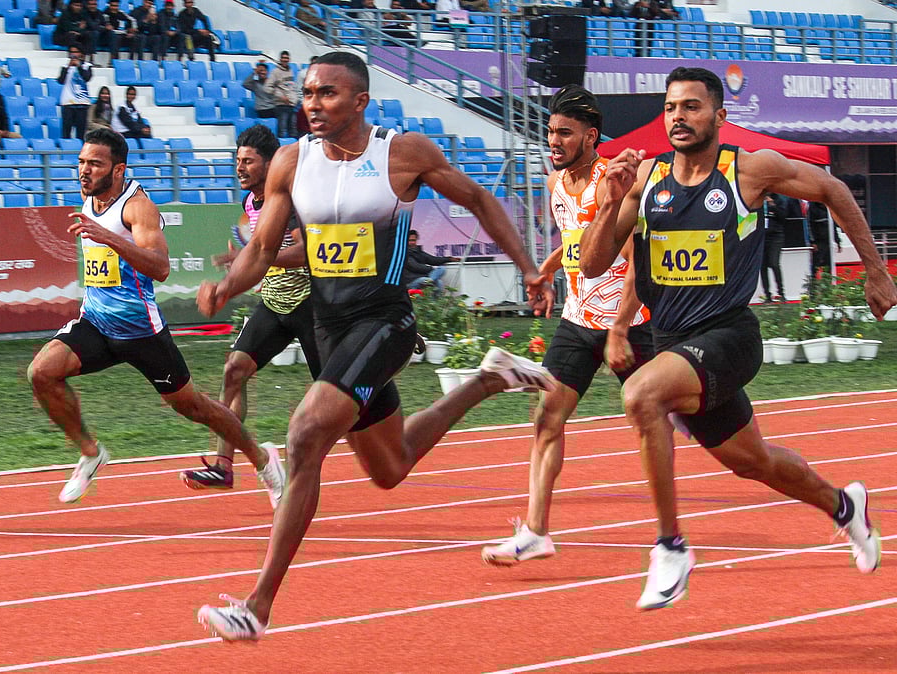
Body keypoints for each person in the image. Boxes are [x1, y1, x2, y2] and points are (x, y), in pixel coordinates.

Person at [193, 51, 555, 641]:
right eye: (308, 93)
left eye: (328, 94)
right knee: (390, 467)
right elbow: (260, 250)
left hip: (385, 321)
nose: (312, 103)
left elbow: (480, 201)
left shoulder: (402, 154)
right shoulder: (290, 161)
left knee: (306, 432)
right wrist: (226, 289)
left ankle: (258, 606)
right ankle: (490, 377)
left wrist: (529, 268)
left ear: (360, 101)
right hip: (330, 325)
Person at [581, 66, 896, 610]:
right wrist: (609, 201)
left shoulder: (749, 172)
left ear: (719, 117)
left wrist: (875, 270)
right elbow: (591, 265)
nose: (679, 117)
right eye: (672, 107)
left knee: (641, 396)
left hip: (730, 334)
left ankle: (670, 546)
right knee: (754, 462)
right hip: (674, 342)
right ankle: (845, 507)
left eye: (692, 107)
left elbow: (833, 188)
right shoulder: (644, 180)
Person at [26, 127, 273, 505]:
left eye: (94, 164)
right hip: (95, 322)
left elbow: (160, 267)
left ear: (119, 170)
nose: (84, 170)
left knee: (194, 406)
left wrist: (110, 238)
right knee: (41, 372)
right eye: (81, 162)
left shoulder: (137, 207)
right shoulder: (90, 195)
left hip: (141, 332)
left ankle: (263, 461)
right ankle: (91, 453)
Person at [479, 85, 654, 566]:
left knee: (683, 425)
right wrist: (550, 269)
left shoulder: (611, 183)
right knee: (546, 417)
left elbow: (636, 259)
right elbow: (578, 239)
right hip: (578, 322)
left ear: (591, 136)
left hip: (629, 321)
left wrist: (619, 327)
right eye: (550, 132)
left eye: (564, 133)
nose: (553, 141)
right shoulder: (557, 185)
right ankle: (535, 531)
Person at [179, 124, 312, 501]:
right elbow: (259, 252)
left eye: (247, 161)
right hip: (273, 301)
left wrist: (257, 257)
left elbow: (304, 253)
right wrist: (232, 279)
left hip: (312, 303)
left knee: (335, 398)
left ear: (271, 165)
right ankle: (224, 466)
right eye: (237, 160)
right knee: (234, 370)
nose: (239, 167)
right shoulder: (250, 204)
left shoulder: (287, 201)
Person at [759, 192, 792, 302]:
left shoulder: (780, 199)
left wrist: (772, 205)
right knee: (762, 266)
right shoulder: (757, 198)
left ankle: (781, 292)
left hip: (776, 236)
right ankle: (767, 295)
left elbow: (783, 217)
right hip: (761, 236)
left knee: (774, 263)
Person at [58, 46, 93, 140]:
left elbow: (87, 78)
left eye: (76, 52)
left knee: (81, 132)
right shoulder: (65, 67)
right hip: (68, 102)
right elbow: (61, 80)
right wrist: (68, 67)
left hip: (82, 102)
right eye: (71, 52)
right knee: (66, 131)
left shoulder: (87, 66)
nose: (73, 54)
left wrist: (79, 66)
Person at [266, 51, 298, 138]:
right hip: (281, 106)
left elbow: (292, 87)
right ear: (280, 59)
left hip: (292, 105)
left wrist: (295, 99)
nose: (285, 60)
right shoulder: (275, 72)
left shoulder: (291, 71)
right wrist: (280, 97)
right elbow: (267, 87)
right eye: (283, 58)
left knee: (293, 130)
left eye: (287, 58)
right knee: (282, 130)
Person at [807, 200, 841, 274]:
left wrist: (837, 241)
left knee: (829, 264)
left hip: (829, 240)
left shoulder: (829, 207)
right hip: (818, 241)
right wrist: (812, 241)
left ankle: (828, 282)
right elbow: (809, 225)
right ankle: (814, 283)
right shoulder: (812, 207)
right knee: (816, 264)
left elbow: (833, 226)